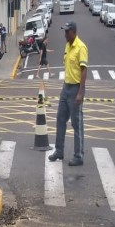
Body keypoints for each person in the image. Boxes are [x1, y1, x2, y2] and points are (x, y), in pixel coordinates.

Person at [49, 21, 88, 166]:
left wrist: (80, 92)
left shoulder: (81, 47)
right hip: (66, 87)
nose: (65, 34)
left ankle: (78, 156)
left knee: (77, 123)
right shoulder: (67, 45)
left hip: (76, 88)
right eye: (64, 32)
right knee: (60, 119)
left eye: (67, 32)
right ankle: (59, 151)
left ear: (73, 32)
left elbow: (84, 70)